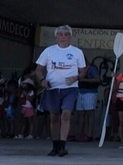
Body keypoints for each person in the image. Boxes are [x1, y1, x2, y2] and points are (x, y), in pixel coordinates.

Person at [33, 26, 86, 155]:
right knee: (54, 117)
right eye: (60, 34)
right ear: (56, 37)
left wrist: (76, 77)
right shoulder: (49, 51)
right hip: (52, 88)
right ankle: (55, 146)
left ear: (70, 37)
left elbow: (83, 71)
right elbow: (38, 69)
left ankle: (62, 146)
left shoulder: (77, 52)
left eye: (66, 34)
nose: (63, 36)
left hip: (70, 88)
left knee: (66, 115)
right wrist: (42, 80)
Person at [74, 57, 102, 141]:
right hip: (80, 91)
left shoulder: (92, 68)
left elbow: (97, 79)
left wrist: (84, 80)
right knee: (80, 113)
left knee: (90, 113)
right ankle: (80, 133)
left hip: (90, 92)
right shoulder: (79, 69)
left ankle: (89, 134)